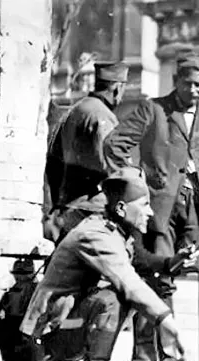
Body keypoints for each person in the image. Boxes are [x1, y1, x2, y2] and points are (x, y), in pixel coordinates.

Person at [103, 50, 199, 361]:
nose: (193, 90)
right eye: (187, 83)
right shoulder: (153, 109)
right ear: (176, 81)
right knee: (156, 282)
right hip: (160, 210)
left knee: (170, 281)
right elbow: (115, 145)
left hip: (194, 211)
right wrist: (136, 186)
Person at [20, 169, 193, 361]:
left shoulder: (114, 230)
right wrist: (167, 321)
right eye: (144, 205)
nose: (150, 212)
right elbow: (128, 281)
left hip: (66, 325)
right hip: (53, 331)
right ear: (121, 208)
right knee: (113, 297)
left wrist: (172, 262)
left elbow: (141, 260)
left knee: (138, 289)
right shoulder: (95, 235)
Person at [44, 61, 130, 242]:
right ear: (117, 88)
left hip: (68, 208)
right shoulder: (102, 115)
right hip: (93, 210)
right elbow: (113, 166)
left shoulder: (74, 110)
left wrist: (59, 201)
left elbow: (53, 162)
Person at [0, 259, 38, 361]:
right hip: (10, 325)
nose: (19, 277)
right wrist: (2, 312)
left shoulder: (36, 290)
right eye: (17, 274)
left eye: (23, 274)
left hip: (26, 325)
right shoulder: (11, 292)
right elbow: (4, 310)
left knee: (24, 352)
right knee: (5, 349)